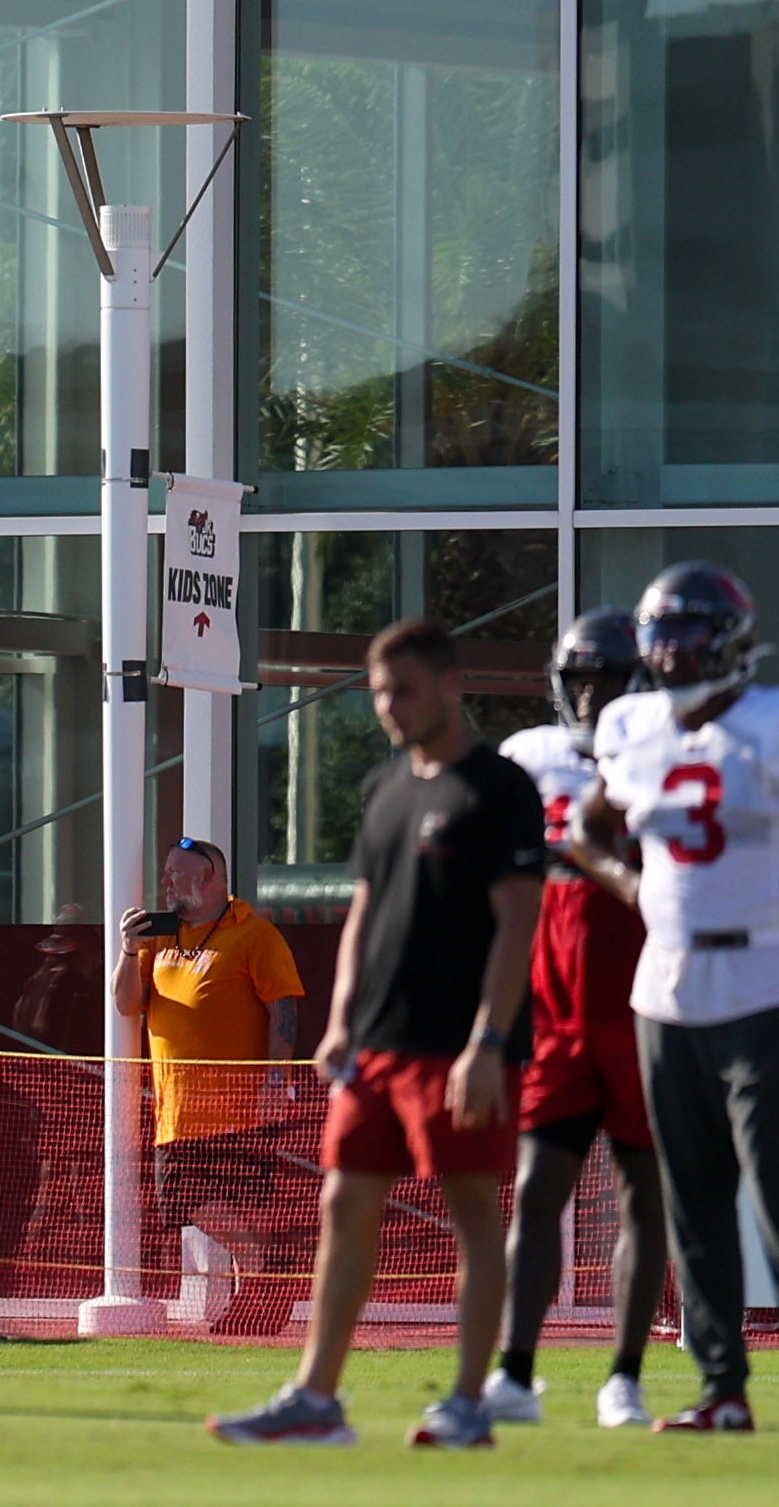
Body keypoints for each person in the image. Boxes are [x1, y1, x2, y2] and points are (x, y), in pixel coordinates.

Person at [200, 619, 545, 1452]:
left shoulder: (498, 790)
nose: (390, 706)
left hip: (458, 1048)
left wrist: (488, 1043)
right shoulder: (386, 790)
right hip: (379, 1046)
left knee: (470, 1211)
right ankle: (317, 1398)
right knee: (343, 1202)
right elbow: (364, 915)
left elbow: (518, 925)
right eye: (380, 691)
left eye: (406, 690)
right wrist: (343, 1019)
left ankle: (467, 1404)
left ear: (451, 686)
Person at [568, 561, 779, 1440]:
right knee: (693, 1199)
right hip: (666, 987)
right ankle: (722, 1387)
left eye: (688, 634)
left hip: (760, 981)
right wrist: (626, 883)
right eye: (659, 636)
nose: (671, 654)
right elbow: (586, 831)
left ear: (734, 641)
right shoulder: (633, 726)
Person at [490, 603, 669, 1429]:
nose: (592, 698)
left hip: (645, 1000)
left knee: (643, 1194)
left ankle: (625, 1375)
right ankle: (516, 1371)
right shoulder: (526, 757)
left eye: (608, 680)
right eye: (580, 681)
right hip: (555, 1009)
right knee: (537, 1189)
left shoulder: (669, 745)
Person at [111, 834, 305, 1334]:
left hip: (238, 1105)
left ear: (209, 879)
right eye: (167, 872)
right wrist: (128, 952)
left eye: (176, 873)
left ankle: (258, 1292)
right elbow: (128, 1005)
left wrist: (276, 1079)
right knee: (179, 1197)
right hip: (178, 1110)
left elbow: (282, 1008)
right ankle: (266, 1278)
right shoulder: (161, 937)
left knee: (237, 1203)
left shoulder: (254, 935)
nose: (166, 882)